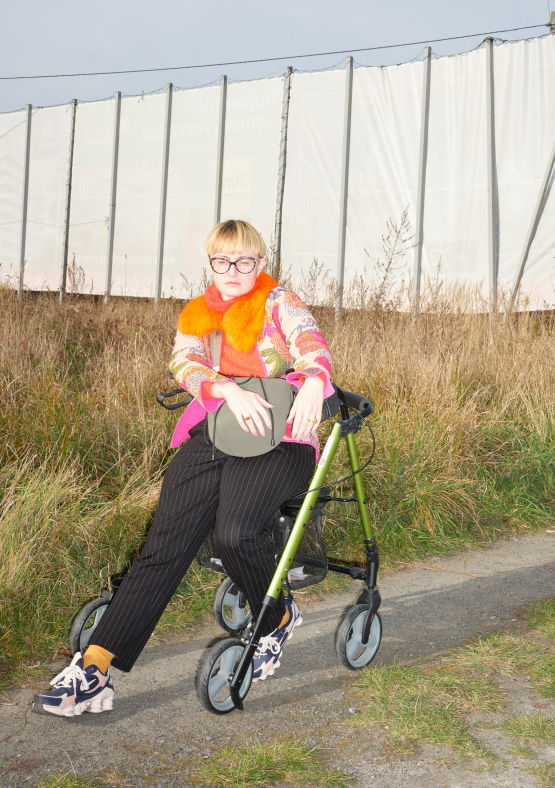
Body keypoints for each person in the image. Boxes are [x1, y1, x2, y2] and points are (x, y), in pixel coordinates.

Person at [33, 219, 334, 718]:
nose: (233, 271)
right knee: (164, 546)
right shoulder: (198, 313)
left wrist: (313, 382)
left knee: (235, 535)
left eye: (244, 261)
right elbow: (186, 364)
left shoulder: (281, 302)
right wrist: (227, 390)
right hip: (219, 427)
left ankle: (276, 616)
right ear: (210, 263)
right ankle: (95, 667)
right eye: (222, 261)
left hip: (281, 439)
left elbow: (312, 346)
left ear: (260, 263)